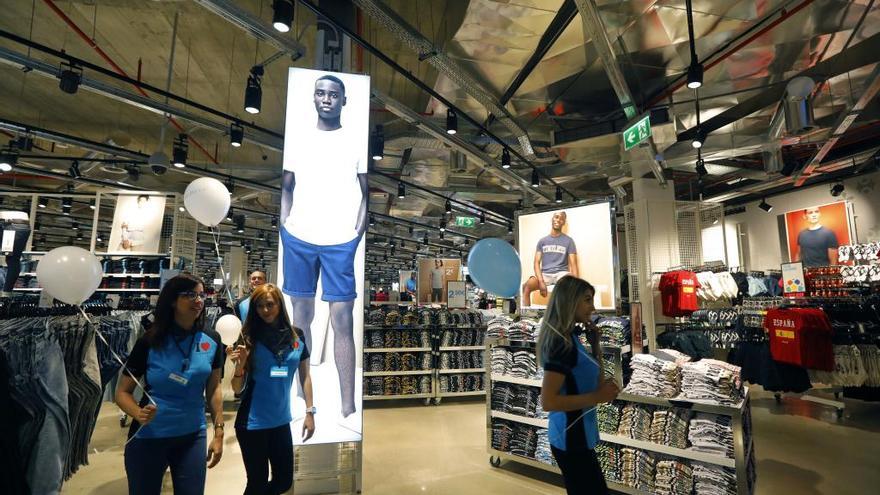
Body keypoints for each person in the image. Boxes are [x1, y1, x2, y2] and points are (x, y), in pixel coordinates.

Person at [280, 74, 367, 421]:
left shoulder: (355, 141)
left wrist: (357, 232)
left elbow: (367, 191)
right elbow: (287, 185)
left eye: (333, 94)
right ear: (313, 98)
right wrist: (284, 225)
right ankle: (303, 394)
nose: (326, 99)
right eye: (320, 93)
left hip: (340, 241)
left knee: (342, 319)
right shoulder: (298, 140)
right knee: (301, 318)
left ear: (343, 100)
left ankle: (348, 404)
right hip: (298, 237)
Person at [115, 274, 225, 495]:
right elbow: (122, 392)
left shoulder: (212, 340)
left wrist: (219, 432)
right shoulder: (149, 341)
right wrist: (137, 412)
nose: (199, 300)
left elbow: (214, 389)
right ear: (173, 300)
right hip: (149, 437)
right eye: (190, 294)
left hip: (193, 436)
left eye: (202, 295)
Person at [230, 284, 315, 495]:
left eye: (270, 304)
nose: (265, 310)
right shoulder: (248, 337)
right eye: (259, 306)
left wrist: (310, 411)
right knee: (257, 483)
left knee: (284, 481)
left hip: (280, 421)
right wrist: (239, 368)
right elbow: (237, 389)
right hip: (252, 423)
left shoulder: (297, 336)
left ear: (280, 305)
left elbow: (305, 376)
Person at [538, 276, 620, 495]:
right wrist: (597, 396)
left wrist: (596, 347)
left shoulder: (572, 339)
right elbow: (548, 401)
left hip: (580, 436)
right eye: (587, 300)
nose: (592, 307)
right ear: (569, 300)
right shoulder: (560, 344)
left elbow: (597, 384)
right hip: (569, 438)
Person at [523, 211, 579, 306]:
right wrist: (541, 282)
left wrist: (577, 285)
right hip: (545, 274)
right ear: (552, 219)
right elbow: (536, 263)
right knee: (526, 286)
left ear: (564, 222)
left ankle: (563, 317)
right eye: (556, 217)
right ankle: (527, 318)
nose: (558, 220)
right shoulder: (542, 241)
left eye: (561, 219)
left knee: (567, 284)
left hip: (561, 274)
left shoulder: (569, 241)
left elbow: (574, 265)